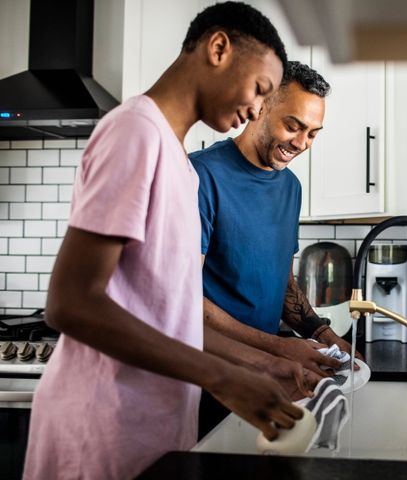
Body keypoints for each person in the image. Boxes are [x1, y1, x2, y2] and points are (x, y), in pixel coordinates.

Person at [23, 3, 303, 479]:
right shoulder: (135, 132)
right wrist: (222, 375)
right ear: (218, 48)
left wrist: (263, 365)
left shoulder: (178, 162)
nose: (259, 109)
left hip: (152, 431)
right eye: (259, 89)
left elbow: (168, 313)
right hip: (101, 430)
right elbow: (70, 303)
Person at [189, 61, 364, 433]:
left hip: (268, 378)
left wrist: (327, 337)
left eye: (313, 134)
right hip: (207, 379)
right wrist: (279, 348)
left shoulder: (290, 188)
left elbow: (283, 287)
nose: (301, 144)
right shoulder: (201, 176)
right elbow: (182, 299)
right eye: (293, 125)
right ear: (261, 106)